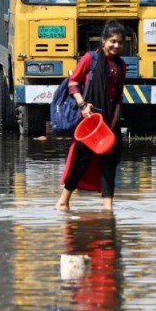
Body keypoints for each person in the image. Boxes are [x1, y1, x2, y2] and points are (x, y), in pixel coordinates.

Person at [56, 20, 127, 212]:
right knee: (82, 160)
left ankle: (108, 209)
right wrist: (82, 105)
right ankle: (63, 201)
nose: (116, 46)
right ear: (103, 41)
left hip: (110, 123)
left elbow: (119, 96)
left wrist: (113, 122)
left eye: (120, 42)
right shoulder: (90, 58)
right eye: (112, 41)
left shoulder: (121, 65)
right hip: (90, 120)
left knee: (110, 163)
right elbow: (73, 83)